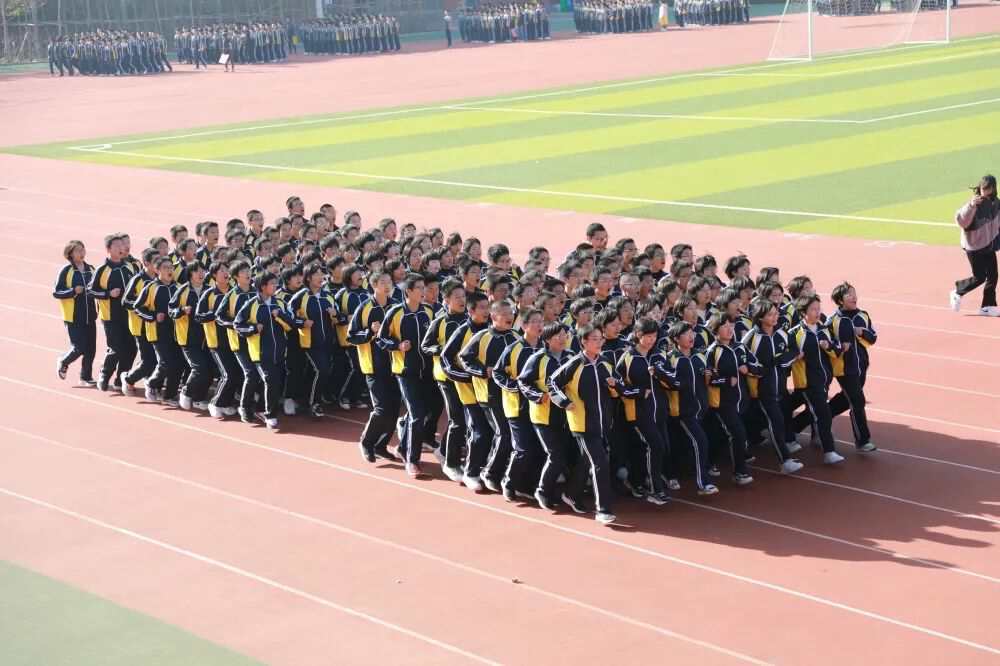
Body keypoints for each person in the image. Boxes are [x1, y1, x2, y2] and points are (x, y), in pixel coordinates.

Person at [548, 324, 623, 525]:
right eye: (594, 339)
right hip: (582, 424)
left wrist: (615, 386)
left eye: (601, 339)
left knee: (586, 461)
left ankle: (571, 494)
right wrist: (564, 402)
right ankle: (603, 510)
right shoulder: (574, 364)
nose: (599, 343)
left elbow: (620, 387)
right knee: (600, 462)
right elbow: (552, 383)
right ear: (584, 342)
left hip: (602, 423)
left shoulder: (606, 363)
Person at [377, 273, 436, 477]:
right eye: (419, 287)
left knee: (421, 413)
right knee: (417, 414)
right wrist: (397, 346)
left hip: (426, 371)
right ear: (408, 291)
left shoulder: (428, 311)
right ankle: (412, 460)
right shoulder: (395, 313)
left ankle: (403, 447)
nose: (423, 291)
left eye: (423, 287)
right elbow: (381, 338)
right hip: (405, 372)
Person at [234, 272, 294, 429]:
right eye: (272, 284)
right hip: (260, 352)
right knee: (270, 380)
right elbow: (238, 325)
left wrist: (280, 316)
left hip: (279, 352)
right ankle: (270, 415)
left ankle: (258, 408)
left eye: (276, 283)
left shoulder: (279, 303)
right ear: (262, 286)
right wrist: (253, 328)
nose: (275, 286)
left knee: (275, 382)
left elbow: (291, 325)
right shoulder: (251, 304)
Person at [827, 282, 878, 453]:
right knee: (857, 400)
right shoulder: (833, 321)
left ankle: (816, 417)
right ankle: (863, 440)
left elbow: (873, 338)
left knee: (846, 399)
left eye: (854, 293)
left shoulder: (863, 315)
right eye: (849, 294)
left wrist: (862, 332)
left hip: (860, 366)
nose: (854, 297)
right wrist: (839, 347)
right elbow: (827, 343)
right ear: (840, 300)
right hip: (844, 369)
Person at [950, 174, 1000, 316]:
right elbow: (961, 221)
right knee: (979, 277)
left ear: (993, 188)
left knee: (993, 275)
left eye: (988, 188)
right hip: (974, 247)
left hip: (988, 245)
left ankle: (987, 306)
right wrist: (971, 206)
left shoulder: (996, 204)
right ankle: (957, 291)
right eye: (983, 188)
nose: (985, 191)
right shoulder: (974, 204)